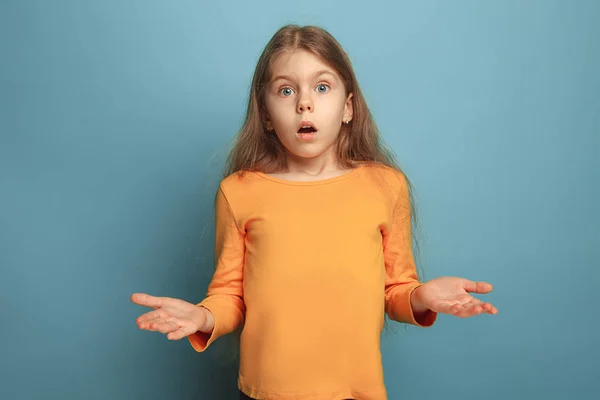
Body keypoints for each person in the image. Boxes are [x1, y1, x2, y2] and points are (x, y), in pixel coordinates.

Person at [130, 24, 498, 400]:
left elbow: (395, 290)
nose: (304, 103)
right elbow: (230, 295)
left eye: (322, 87)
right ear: (267, 114)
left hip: (355, 391)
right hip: (267, 392)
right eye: (286, 90)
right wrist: (203, 318)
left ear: (348, 108)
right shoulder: (239, 191)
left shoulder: (386, 186)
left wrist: (422, 297)